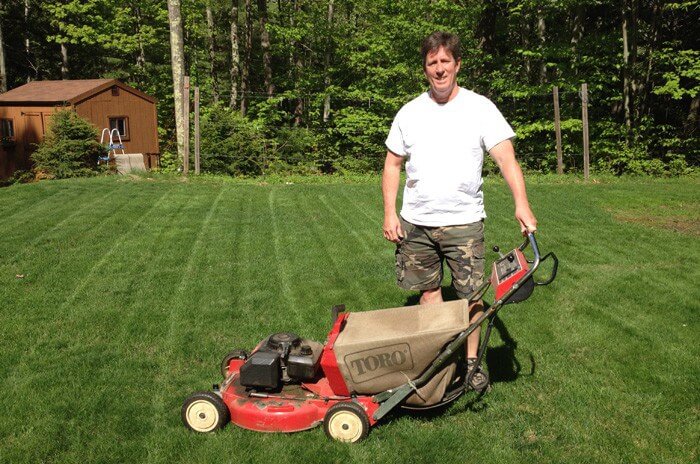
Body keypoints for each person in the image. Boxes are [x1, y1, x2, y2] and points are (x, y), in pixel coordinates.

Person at [381, 31, 537, 392]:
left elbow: (506, 159)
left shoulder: (480, 108)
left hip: (464, 222)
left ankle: (471, 365)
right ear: (425, 69)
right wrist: (390, 213)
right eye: (432, 63)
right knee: (429, 294)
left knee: (471, 298)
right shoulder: (410, 112)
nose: (439, 69)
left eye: (445, 61)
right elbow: (392, 165)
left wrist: (522, 203)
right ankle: (440, 364)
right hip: (416, 224)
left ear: (457, 64)